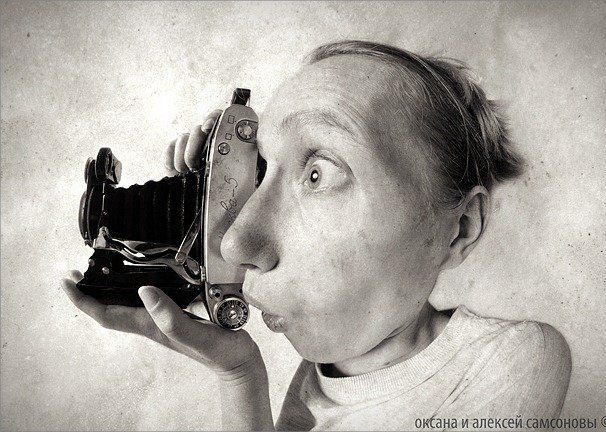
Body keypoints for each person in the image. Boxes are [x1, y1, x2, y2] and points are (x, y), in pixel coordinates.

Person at [62, 40, 572, 431]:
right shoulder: (317, 379)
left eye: (317, 174)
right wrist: (238, 374)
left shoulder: (512, 357)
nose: (236, 244)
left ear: (458, 228)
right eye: (261, 172)